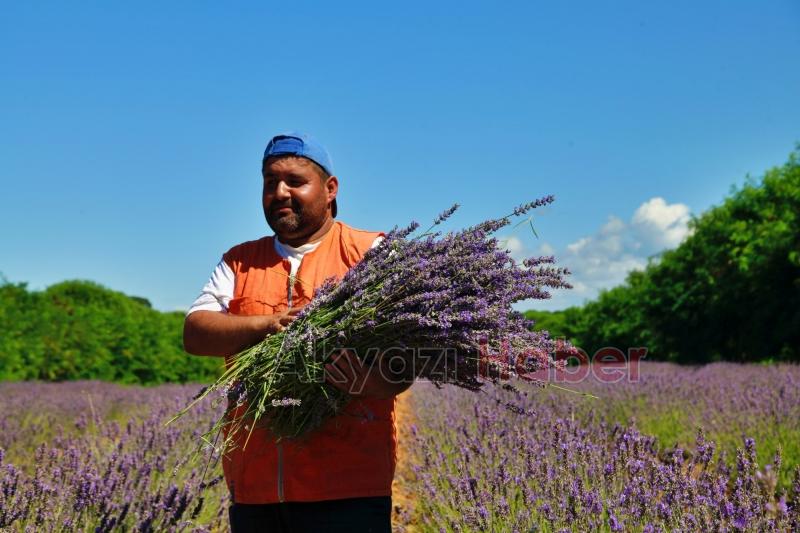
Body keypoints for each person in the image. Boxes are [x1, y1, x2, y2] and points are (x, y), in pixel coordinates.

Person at [183, 132, 411, 532]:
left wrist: (376, 381)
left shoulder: (372, 253)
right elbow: (196, 332)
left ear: (330, 189)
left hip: (348, 488)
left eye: (294, 181)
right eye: (270, 182)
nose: (280, 192)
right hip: (257, 488)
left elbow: (408, 354)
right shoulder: (239, 262)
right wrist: (266, 325)